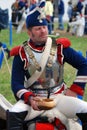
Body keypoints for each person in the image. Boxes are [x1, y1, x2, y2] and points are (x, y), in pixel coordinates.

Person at [6, 1, 87, 130]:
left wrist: (76, 89)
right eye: (38, 28)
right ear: (29, 32)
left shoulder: (60, 47)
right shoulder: (21, 53)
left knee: (85, 109)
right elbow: (16, 84)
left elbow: (84, 64)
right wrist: (30, 98)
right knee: (13, 114)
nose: (43, 31)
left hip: (59, 97)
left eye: (44, 27)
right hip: (35, 99)